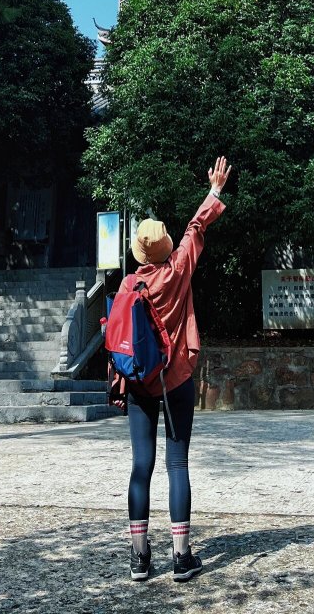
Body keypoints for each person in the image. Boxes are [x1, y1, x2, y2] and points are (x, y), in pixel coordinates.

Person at [121, 154, 231, 583]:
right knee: (177, 464)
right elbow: (196, 228)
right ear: (164, 247)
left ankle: (139, 558)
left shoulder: (131, 284)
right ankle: (181, 557)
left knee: (140, 466)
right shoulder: (179, 268)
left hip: (138, 381)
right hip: (177, 377)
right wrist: (215, 189)